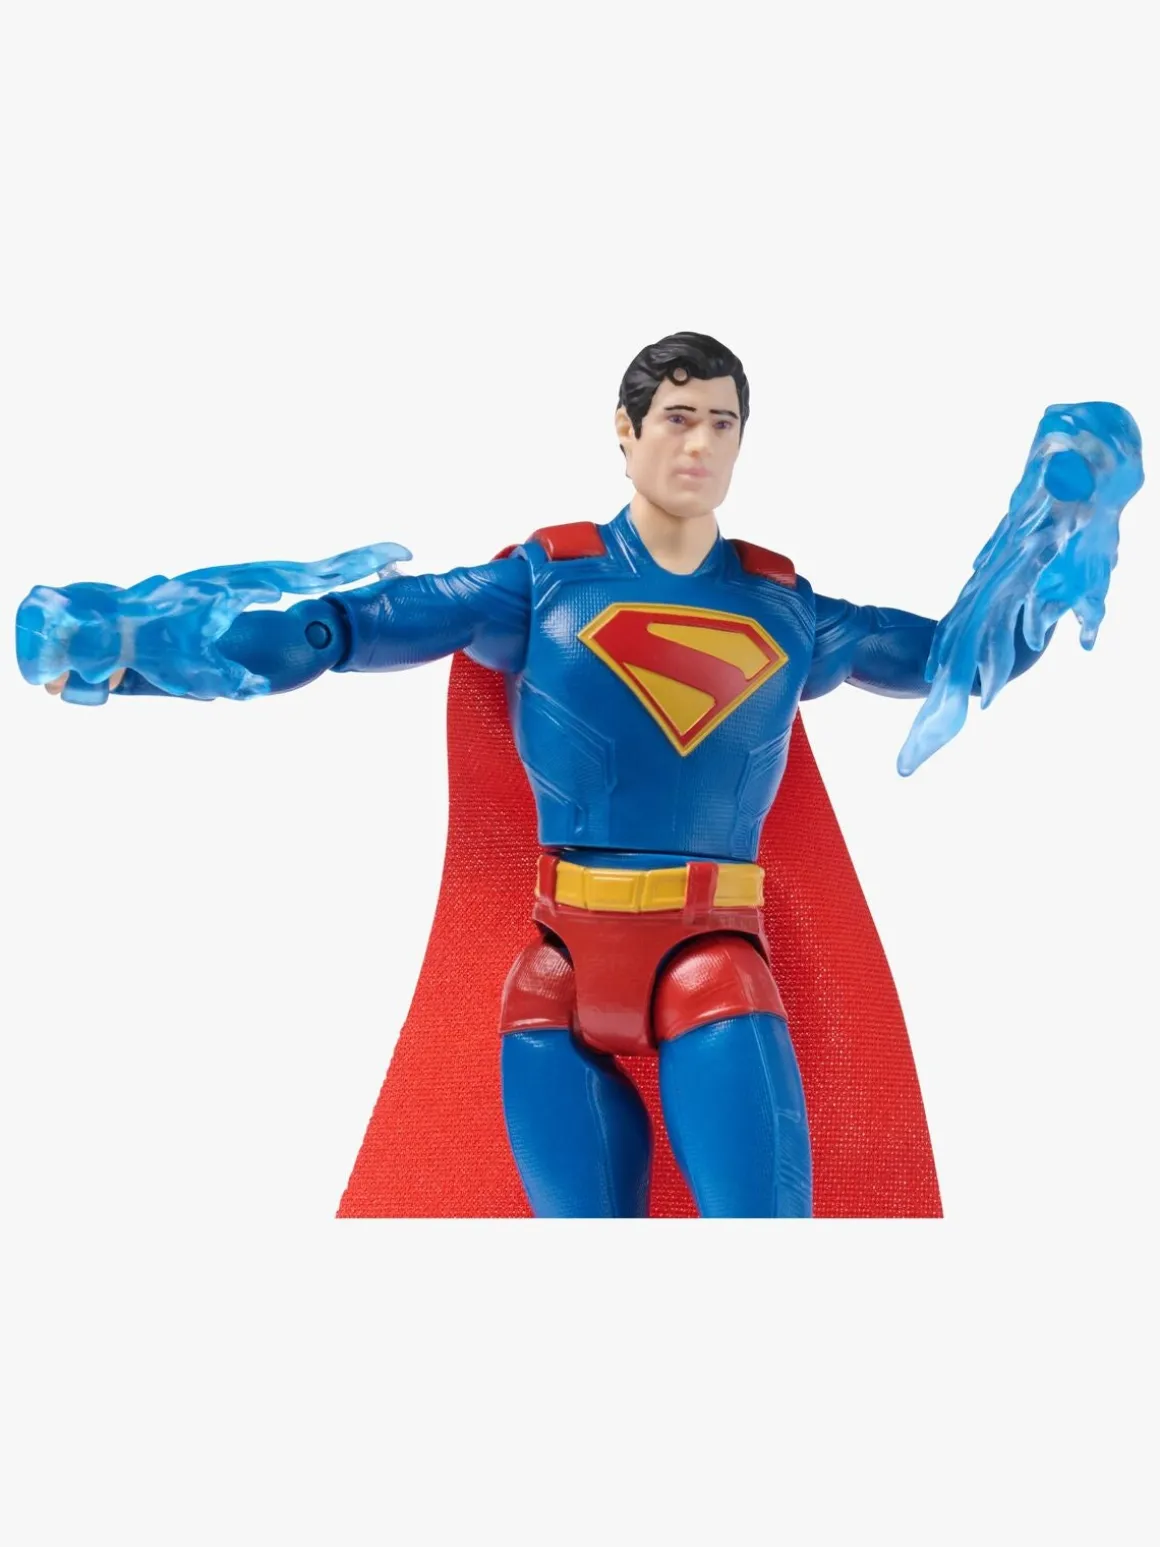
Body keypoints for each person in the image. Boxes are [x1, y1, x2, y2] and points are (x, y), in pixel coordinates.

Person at [35, 332, 1059, 1218]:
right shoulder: (545, 580)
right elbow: (352, 627)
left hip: (713, 959)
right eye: (677, 418)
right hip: (558, 968)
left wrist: (1052, 539)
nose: (699, 445)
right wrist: (146, 655)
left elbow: (957, 659)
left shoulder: (783, 607)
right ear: (625, 429)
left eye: (722, 423)